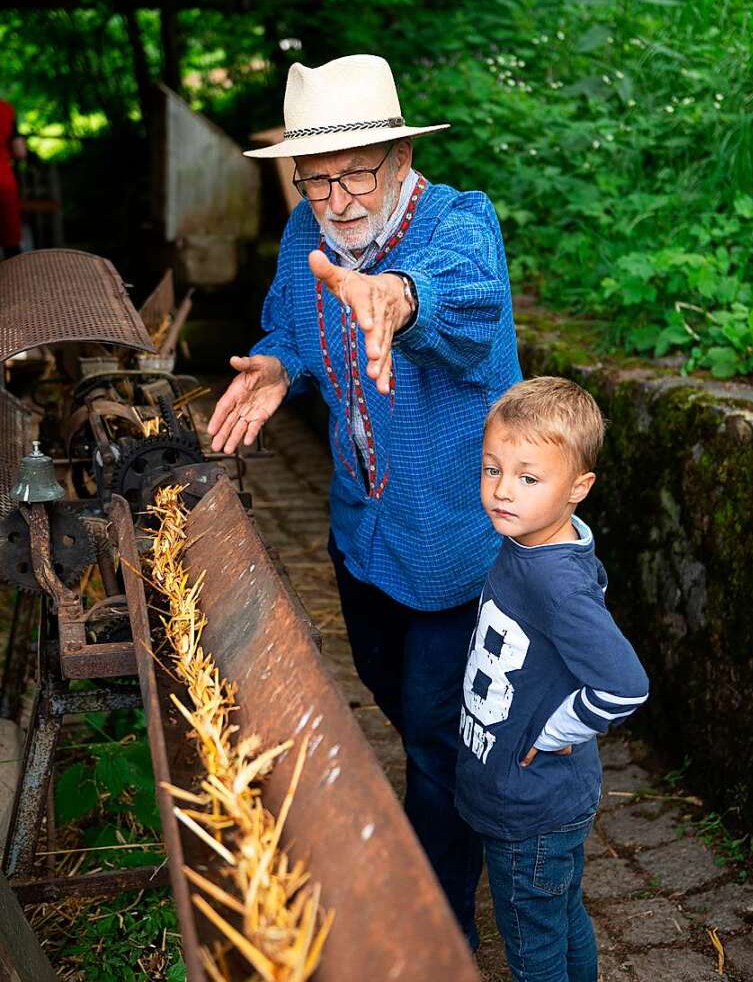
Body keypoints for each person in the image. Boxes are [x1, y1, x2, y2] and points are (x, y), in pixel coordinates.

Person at [208, 53, 522, 946]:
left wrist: (394, 298)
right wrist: (277, 362)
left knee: (434, 741)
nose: (338, 199)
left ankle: (439, 931)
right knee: (391, 690)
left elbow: (463, 305)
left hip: (456, 545)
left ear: (397, 157)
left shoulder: (460, 222)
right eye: (318, 178)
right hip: (364, 538)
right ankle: (452, 791)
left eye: (357, 175)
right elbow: (293, 323)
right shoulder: (305, 236)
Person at [455, 376, 649, 981]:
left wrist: (558, 731)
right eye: (492, 469)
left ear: (578, 489)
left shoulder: (555, 581)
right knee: (562, 915)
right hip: (523, 794)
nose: (502, 491)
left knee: (534, 944)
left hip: (531, 807)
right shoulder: (532, 542)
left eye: (527, 477)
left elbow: (624, 685)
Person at [0, 98, 26, 259]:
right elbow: (20, 152)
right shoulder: (5, 109)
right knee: (10, 246)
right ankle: (14, 283)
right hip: (3, 184)